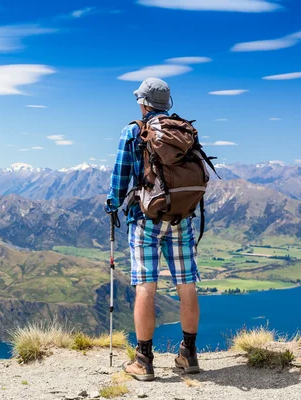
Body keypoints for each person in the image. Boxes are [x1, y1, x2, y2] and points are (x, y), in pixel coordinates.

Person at [106, 77, 201, 381]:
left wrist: (113, 203)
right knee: (186, 285)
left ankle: (143, 360)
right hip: (181, 217)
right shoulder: (183, 130)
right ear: (167, 103)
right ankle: (188, 354)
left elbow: (120, 178)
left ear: (143, 102)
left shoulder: (134, 131)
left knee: (146, 286)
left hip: (146, 219)